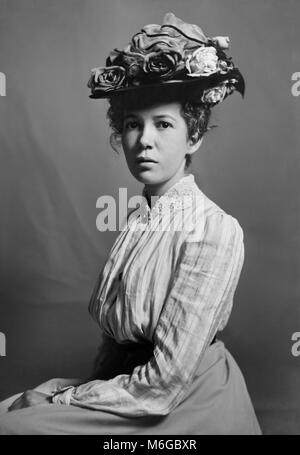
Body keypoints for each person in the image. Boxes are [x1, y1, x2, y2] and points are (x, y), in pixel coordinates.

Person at [0, 12, 262, 435]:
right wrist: (64, 393)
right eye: (132, 125)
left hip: (183, 404)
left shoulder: (213, 229)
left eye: (163, 124)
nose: (144, 141)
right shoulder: (141, 222)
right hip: (126, 389)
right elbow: (121, 350)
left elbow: (163, 384)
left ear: (193, 136)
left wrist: (62, 399)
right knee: (9, 410)